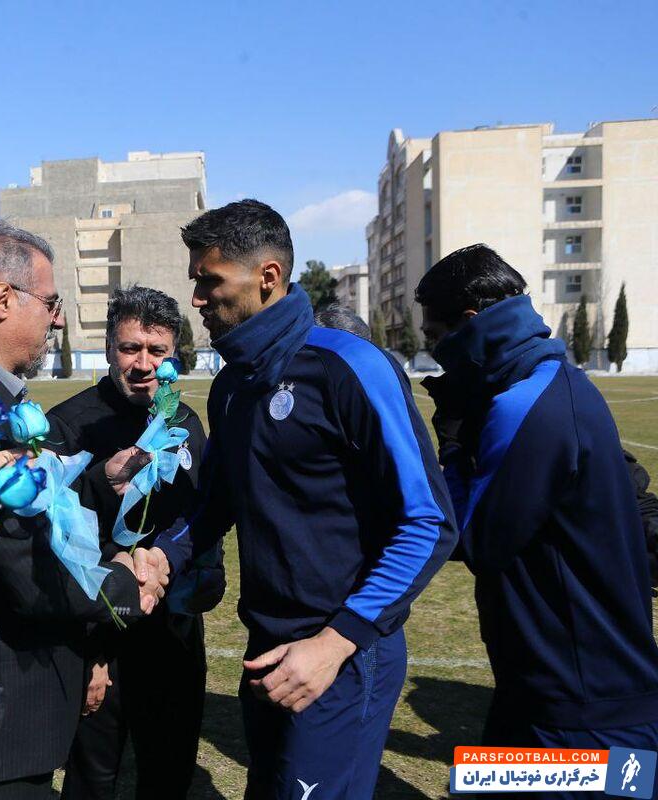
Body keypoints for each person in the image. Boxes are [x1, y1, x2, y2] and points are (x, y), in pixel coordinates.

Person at [151, 199, 458, 799]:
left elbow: (428, 522)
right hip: (265, 649)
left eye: (209, 281)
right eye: (194, 282)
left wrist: (333, 644)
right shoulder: (231, 387)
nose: (196, 300)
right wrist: (163, 555)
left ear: (268, 277)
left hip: (341, 654)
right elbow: (216, 503)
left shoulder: (351, 366)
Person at [0, 221, 170, 799]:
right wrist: (127, 586)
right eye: (50, 303)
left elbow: (17, 511)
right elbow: (26, 564)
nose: (58, 319)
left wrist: (97, 483)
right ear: (3, 300)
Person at [415, 244, 658, 766]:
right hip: (541, 683)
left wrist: (455, 439)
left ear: (471, 324)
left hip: (580, 707)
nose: (435, 354)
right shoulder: (551, 380)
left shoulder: (526, 403)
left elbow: (474, 538)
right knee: (482, 781)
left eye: (436, 338)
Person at [47, 286, 222, 799]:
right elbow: (54, 543)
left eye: (157, 351)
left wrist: (208, 575)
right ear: (107, 348)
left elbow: (204, 515)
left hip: (173, 638)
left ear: (174, 354)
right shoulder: (68, 425)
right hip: (100, 644)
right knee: (93, 782)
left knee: (168, 775)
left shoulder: (185, 424)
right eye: (130, 348)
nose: (143, 364)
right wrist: (91, 652)